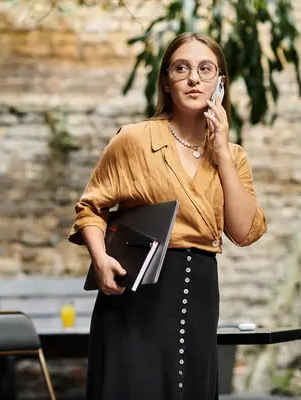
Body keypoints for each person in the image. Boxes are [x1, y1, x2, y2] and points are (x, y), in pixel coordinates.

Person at [68, 32, 268, 400]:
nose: (194, 78)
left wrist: (221, 149)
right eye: (182, 68)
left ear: (220, 84)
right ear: (166, 80)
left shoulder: (233, 156)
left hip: (201, 291)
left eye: (205, 69)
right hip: (139, 291)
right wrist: (100, 258)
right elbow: (91, 207)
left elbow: (242, 231)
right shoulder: (134, 139)